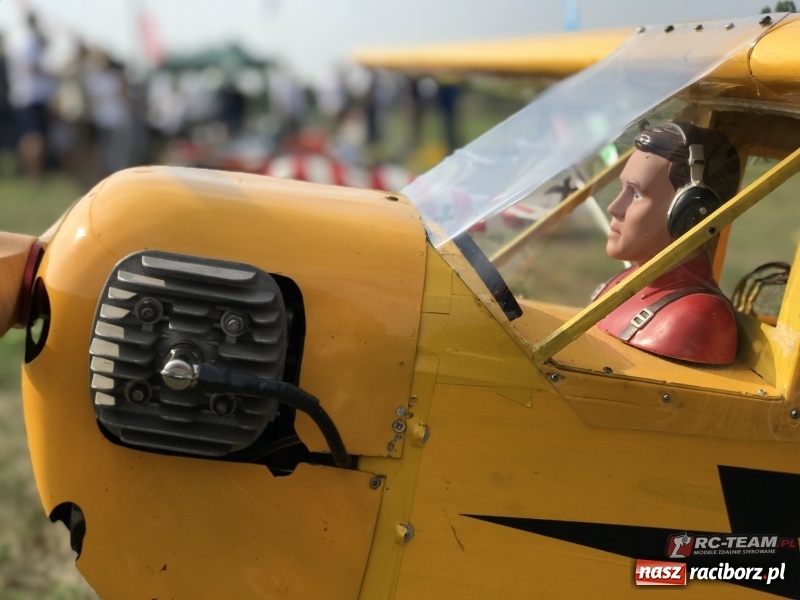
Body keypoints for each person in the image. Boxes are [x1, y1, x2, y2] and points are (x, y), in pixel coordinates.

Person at [594, 121, 741, 365]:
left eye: (637, 194)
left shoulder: (698, 316)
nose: (614, 207)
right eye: (622, 189)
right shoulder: (623, 283)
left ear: (691, 213)